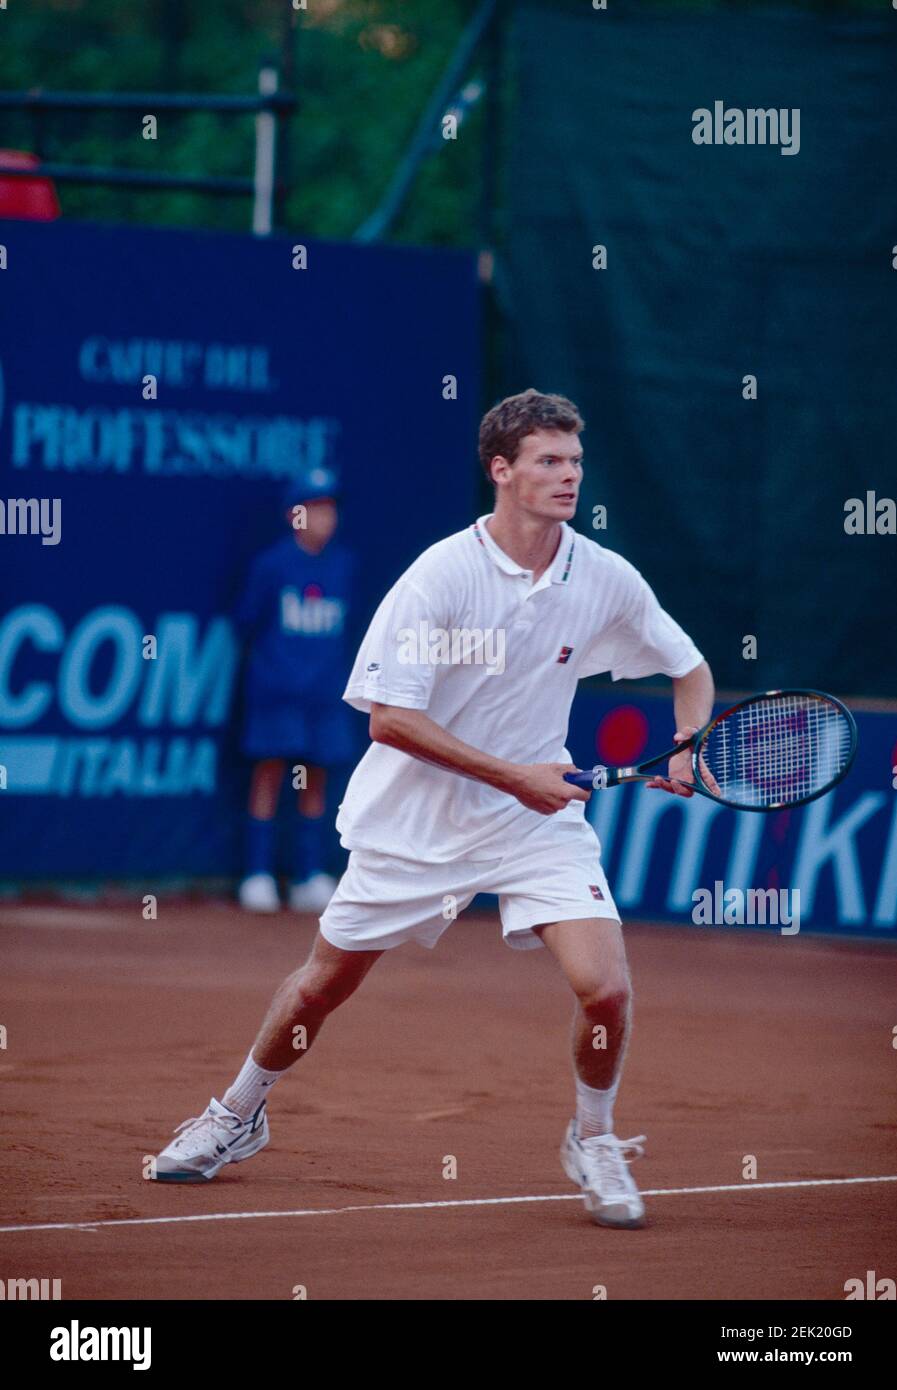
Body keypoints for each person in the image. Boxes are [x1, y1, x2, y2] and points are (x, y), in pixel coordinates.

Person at [152, 389, 714, 1229]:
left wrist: (690, 740)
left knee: (606, 990)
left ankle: (593, 1139)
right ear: (502, 470)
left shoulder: (601, 576)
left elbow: (690, 665)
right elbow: (389, 719)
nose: (569, 476)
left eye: (575, 462)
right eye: (549, 462)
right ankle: (237, 1114)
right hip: (417, 825)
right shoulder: (439, 577)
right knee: (318, 990)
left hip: (535, 827)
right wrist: (512, 774)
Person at [234, 466, 356, 914]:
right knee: (267, 777)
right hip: (276, 696)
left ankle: (308, 876)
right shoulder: (271, 566)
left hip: (323, 698)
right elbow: (247, 623)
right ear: (294, 515)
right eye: (315, 509)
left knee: (315, 782)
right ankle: (258, 876)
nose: (325, 518)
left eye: (330, 509)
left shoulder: (344, 566)